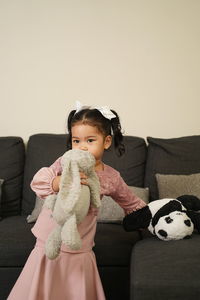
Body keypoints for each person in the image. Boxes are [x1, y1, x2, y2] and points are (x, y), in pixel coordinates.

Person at [8, 102, 147, 300]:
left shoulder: (111, 177)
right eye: (76, 141)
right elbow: (38, 182)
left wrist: (151, 218)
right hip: (48, 241)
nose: (81, 147)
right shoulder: (65, 162)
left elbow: (131, 202)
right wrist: (57, 182)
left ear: (106, 142)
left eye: (90, 140)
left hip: (79, 244)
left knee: (75, 289)